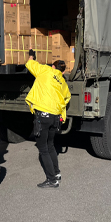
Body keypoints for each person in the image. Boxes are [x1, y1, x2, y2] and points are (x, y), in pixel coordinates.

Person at [25, 49, 71, 188]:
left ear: (53, 67)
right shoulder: (63, 82)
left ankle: (52, 180)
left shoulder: (45, 70)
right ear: (62, 72)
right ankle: (56, 173)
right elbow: (67, 98)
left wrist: (32, 55)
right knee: (50, 145)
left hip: (43, 115)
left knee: (43, 148)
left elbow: (29, 64)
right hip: (55, 118)